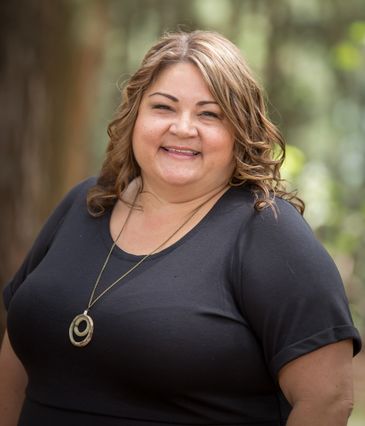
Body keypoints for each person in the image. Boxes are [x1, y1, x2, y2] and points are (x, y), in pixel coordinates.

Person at [0, 30, 361, 426]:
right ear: (135, 115)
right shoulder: (85, 203)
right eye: (163, 107)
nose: (183, 128)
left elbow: (328, 398)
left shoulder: (268, 232)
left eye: (209, 114)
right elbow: (16, 356)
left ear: (240, 131)